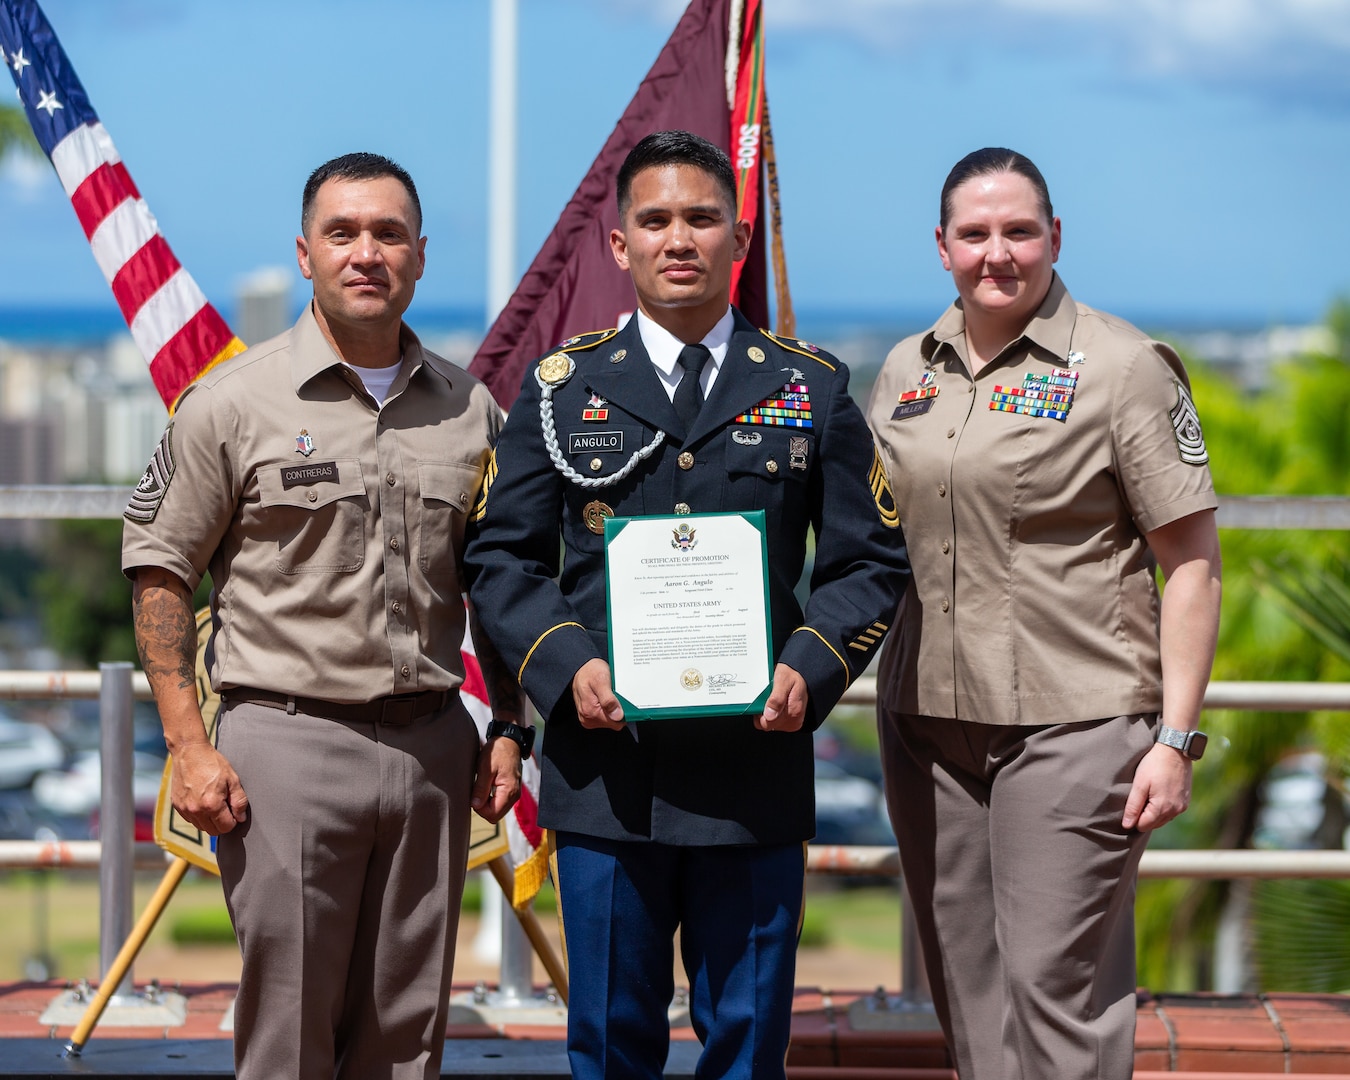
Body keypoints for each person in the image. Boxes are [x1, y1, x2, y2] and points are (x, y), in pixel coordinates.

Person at [463, 130, 910, 1080]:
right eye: (655, 219)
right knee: (611, 1047)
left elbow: (870, 559)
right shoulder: (560, 389)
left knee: (747, 1049)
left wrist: (812, 665)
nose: (680, 238)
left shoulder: (810, 387)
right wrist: (564, 665)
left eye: (703, 218)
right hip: (606, 777)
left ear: (738, 240)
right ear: (619, 246)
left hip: (754, 772)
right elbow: (501, 556)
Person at [121, 152, 529, 1080]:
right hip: (285, 747)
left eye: (388, 234)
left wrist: (508, 726)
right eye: (342, 234)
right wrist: (189, 746)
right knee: (289, 1036)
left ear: (420, 256)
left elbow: (498, 580)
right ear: (304, 254)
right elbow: (159, 571)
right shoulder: (231, 403)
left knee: (405, 1035)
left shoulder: (471, 412)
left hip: (433, 749)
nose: (366, 253)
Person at [865, 147, 1223, 1080]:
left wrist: (1174, 741)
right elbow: (870, 538)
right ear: (940, 247)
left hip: (1076, 724)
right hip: (928, 727)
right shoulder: (905, 369)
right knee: (967, 990)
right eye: (974, 234)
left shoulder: (1123, 366)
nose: (998, 253)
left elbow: (1190, 564)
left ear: (1055, 236)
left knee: (1056, 994)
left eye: (1019, 230)